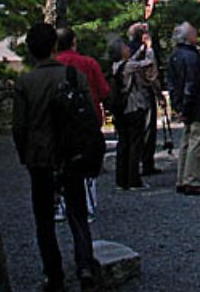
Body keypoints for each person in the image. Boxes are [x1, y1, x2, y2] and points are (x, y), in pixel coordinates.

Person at [13, 22, 98, 291]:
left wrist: (24, 154)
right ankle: (84, 266)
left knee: (44, 219)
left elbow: (19, 126)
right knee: (77, 212)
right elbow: (91, 118)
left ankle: (54, 273)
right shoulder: (73, 76)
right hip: (71, 154)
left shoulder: (26, 82)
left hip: (40, 156)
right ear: (54, 46)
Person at [52, 25, 108, 220]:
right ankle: (87, 207)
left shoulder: (51, 65)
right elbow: (103, 91)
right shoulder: (88, 63)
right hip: (87, 121)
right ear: (74, 42)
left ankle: (60, 205)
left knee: (59, 164)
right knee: (87, 166)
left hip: (57, 123)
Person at [166, 21, 200, 196]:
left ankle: (182, 178)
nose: (197, 35)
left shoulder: (175, 55)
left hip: (187, 105)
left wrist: (178, 106)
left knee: (186, 142)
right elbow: (191, 84)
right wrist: (187, 106)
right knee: (197, 144)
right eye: (194, 32)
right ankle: (192, 179)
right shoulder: (191, 57)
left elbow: (173, 84)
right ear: (187, 36)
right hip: (198, 106)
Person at [112, 23, 158, 191]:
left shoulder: (117, 66)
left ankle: (121, 179)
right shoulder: (130, 67)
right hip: (133, 106)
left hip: (120, 110)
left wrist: (141, 47)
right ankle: (133, 179)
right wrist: (150, 47)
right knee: (135, 144)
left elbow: (133, 59)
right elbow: (148, 63)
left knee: (123, 144)